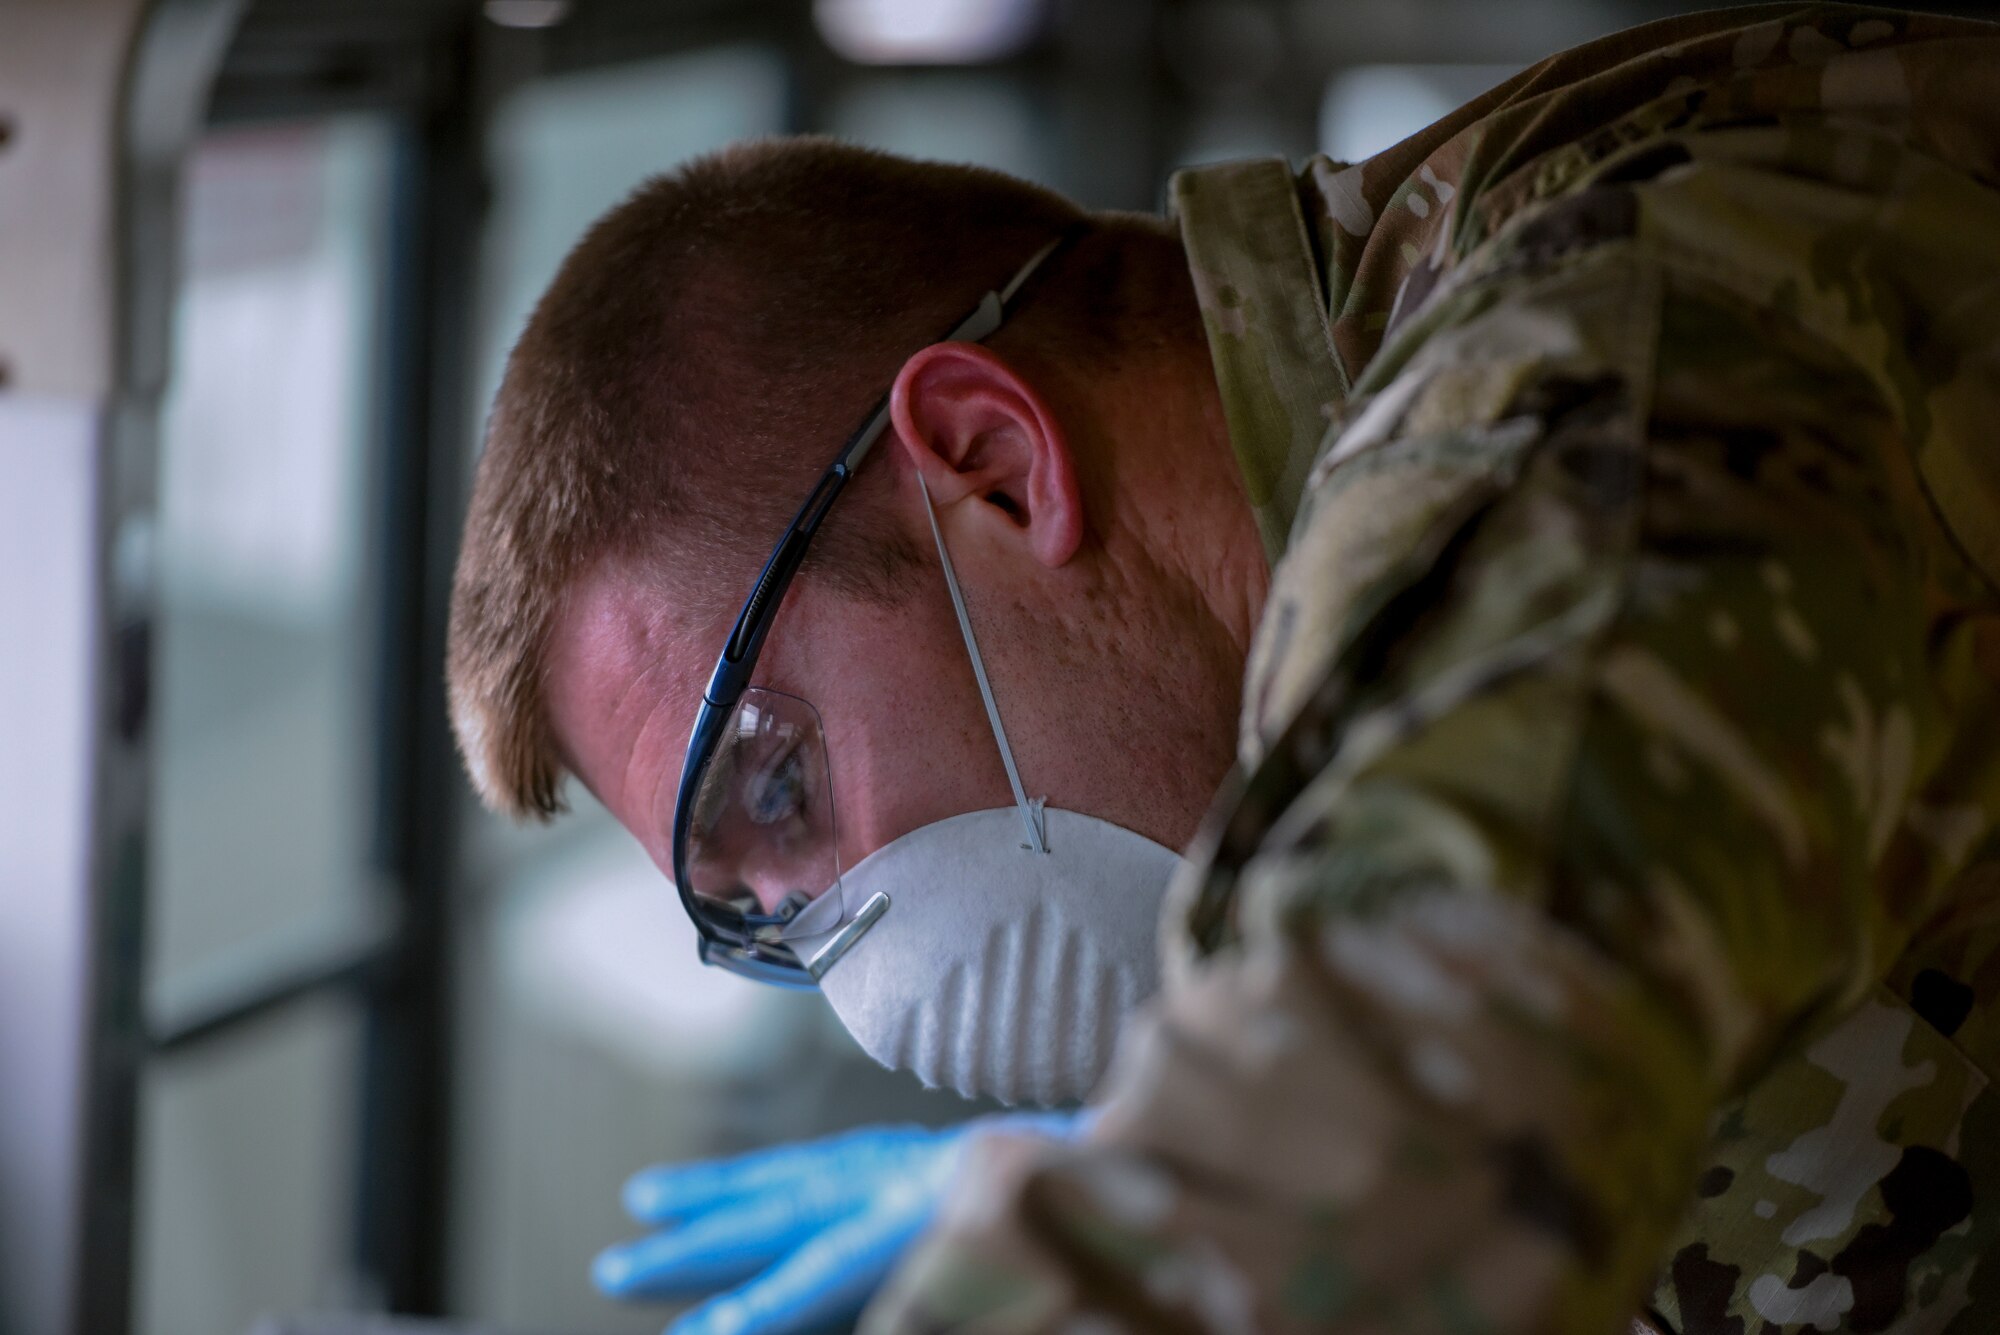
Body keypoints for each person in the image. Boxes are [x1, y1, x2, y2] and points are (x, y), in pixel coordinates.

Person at [446, 3, 2000, 1331]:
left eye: (780, 784)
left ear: (990, 464)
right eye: (762, 924)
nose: (849, 949)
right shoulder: (1352, 606)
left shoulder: (1598, 390)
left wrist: (1141, 1242)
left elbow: (1411, 1123)